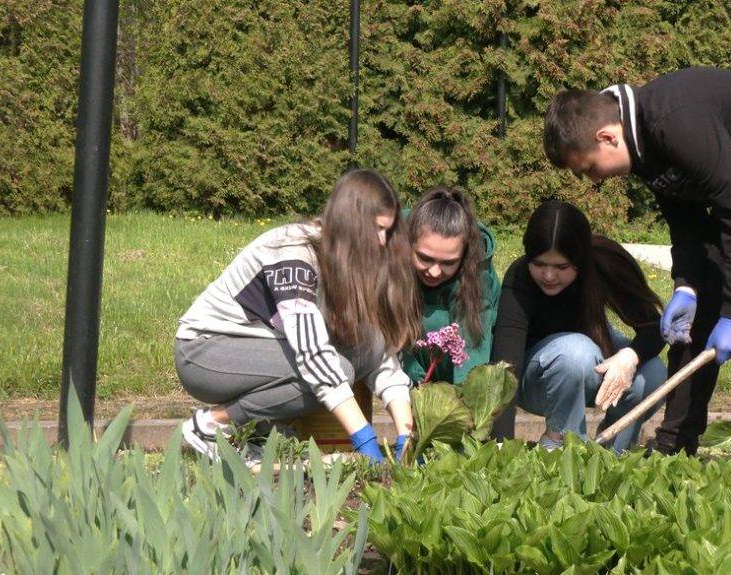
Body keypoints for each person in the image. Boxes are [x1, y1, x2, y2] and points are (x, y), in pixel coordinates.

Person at [543, 67, 731, 470]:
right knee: (693, 328)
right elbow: (687, 222)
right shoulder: (644, 144)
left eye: (588, 168)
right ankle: (675, 445)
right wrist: (688, 287)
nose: (592, 180)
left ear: (607, 137)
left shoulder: (675, 121)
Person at [174, 169, 423, 465]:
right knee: (335, 369)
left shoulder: (351, 266)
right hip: (204, 352)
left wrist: (406, 435)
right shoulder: (294, 254)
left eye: (388, 230)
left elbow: (380, 354)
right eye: (378, 229)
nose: (383, 241)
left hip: (264, 351)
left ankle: (256, 434)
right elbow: (313, 354)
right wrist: (364, 439)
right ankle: (210, 426)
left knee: (370, 343)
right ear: (351, 223)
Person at [491, 200, 667, 452]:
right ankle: (562, 445)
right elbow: (504, 368)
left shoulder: (606, 262)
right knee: (575, 352)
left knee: (652, 374)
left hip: (588, 368)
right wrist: (500, 447)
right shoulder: (519, 278)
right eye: (539, 264)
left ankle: (615, 452)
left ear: (581, 259)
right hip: (537, 381)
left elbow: (653, 327)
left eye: (561, 267)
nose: (549, 276)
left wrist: (628, 358)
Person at [402, 186, 501, 386]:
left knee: (438, 324)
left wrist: (462, 404)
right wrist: (419, 384)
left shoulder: (478, 272)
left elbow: (472, 349)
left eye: (448, 263)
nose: (435, 271)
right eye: (424, 258)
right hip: (405, 356)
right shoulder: (389, 238)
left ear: (464, 255)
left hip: (457, 357)